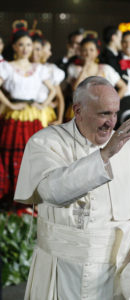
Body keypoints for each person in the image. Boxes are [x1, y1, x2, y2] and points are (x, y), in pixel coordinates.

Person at [15, 76, 130, 299]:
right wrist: (104, 156)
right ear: (78, 110)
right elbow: (51, 191)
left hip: (118, 273)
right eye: (104, 113)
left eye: (115, 113)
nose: (111, 122)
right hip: (62, 270)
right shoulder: (45, 142)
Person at [0, 20, 56, 209]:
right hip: (15, 117)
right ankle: (13, 199)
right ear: (15, 47)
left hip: (34, 117)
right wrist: (9, 104)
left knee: (34, 156)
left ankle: (33, 199)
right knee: (13, 155)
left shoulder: (39, 69)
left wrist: (43, 105)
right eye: (21, 45)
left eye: (29, 45)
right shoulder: (7, 67)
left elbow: (53, 91)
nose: (25, 48)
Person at [65, 36, 127, 120]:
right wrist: (85, 67)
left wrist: (112, 104)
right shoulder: (74, 69)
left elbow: (123, 87)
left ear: (97, 52)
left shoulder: (105, 69)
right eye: (84, 50)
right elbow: (75, 88)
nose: (88, 53)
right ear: (80, 52)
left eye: (91, 50)